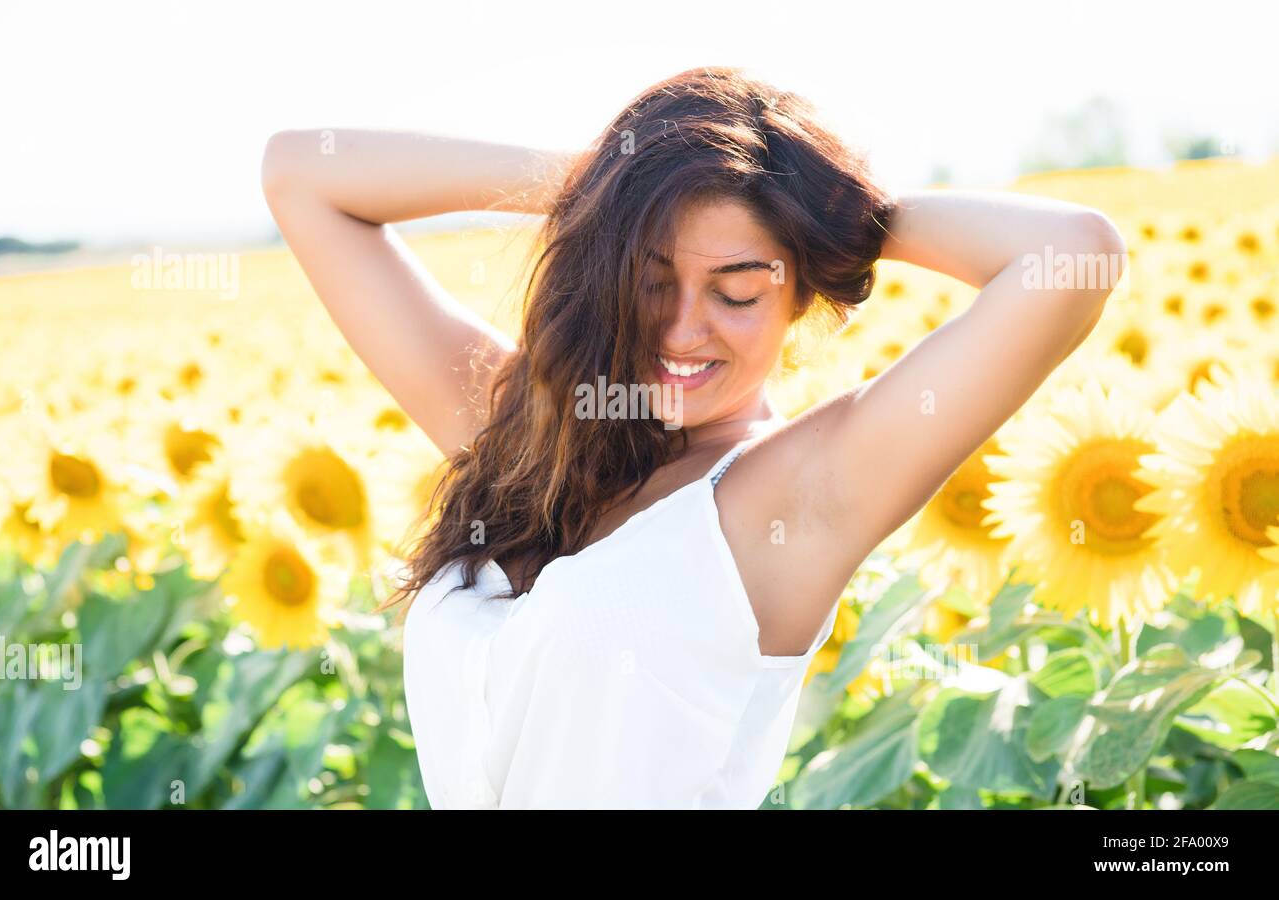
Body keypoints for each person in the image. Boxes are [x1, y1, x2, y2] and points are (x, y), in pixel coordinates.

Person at [260, 66, 1126, 808]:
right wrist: (613, 183)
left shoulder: (796, 496)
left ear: (798, 295)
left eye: (737, 291)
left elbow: (1073, 253)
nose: (682, 330)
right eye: (650, 280)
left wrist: (830, 210)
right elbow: (302, 175)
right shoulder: (534, 438)